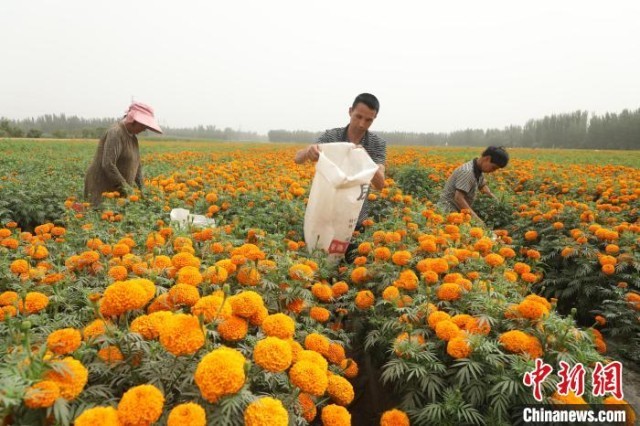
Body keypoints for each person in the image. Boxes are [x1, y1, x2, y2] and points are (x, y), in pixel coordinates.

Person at [295, 93, 387, 228]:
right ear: (350, 111)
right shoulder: (332, 137)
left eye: (368, 120)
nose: (362, 124)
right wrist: (309, 151)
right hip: (325, 214)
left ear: (375, 118)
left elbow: (380, 184)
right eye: (358, 117)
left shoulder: (376, 143)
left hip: (354, 219)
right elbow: (297, 158)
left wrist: (365, 159)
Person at [84, 102, 163, 206]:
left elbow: (137, 165)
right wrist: (127, 188)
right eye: (144, 125)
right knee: (100, 212)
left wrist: (142, 190)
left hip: (119, 190)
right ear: (133, 120)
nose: (144, 129)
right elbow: (108, 164)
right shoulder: (116, 133)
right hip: (102, 189)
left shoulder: (133, 139)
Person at [437, 146, 509, 220]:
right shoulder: (467, 172)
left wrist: (497, 202)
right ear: (487, 158)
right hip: (447, 212)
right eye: (493, 167)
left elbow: (483, 187)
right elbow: (458, 198)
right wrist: (477, 220)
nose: (493, 171)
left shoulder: (477, 169)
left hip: (459, 211)